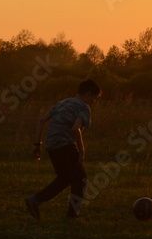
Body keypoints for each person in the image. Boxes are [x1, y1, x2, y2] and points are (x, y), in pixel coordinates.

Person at [25, 79, 101, 220]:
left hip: (51, 145)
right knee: (81, 179)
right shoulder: (84, 107)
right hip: (65, 145)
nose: (93, 102)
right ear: (88, 94)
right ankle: (72, 216)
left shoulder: (63, 102)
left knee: (65, 178)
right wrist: (82, 150)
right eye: (93, 98)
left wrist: (37, 144)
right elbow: (75, 128)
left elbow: (42, 120)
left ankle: (35, 200)